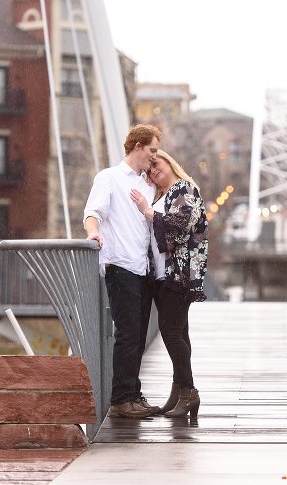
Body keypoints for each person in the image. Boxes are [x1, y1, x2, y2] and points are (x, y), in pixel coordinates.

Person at [83, 124, 162, 419]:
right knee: (128, 333)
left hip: (142, 269)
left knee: (139, 335)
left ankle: (132, 393)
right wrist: (93, 233)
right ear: (138, 146)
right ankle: (120, 400)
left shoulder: (148, 185)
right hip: (119, 265)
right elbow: (93, 212)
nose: (154, 158)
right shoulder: (109, 178)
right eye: (152, 150)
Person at [130, 150, 208, 418]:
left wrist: (148, 212)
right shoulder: (162, 196)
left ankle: (189, 392)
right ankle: (178, 391)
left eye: (156, 163)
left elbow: (182, 225)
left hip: (179, 274)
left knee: (171, 332)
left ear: (169, 161)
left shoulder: (183, 188)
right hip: (163, 275)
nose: (153, 170)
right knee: (179, 332)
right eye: (149, 169)